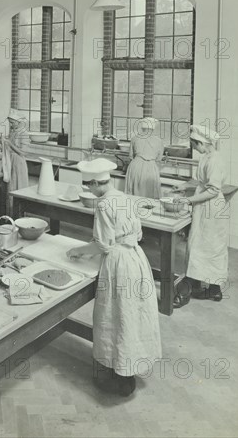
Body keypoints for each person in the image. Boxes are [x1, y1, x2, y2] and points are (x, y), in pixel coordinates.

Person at [67, 158, 161, 397]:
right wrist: (100, 245)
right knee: (131, 315)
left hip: (118, 265)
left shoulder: (102, 204)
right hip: (136, 260)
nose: (88, 190)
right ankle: (127, 370)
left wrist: (79, 251)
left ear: (98, 183)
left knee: (114, 315)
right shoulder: (123, 197)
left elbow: (103, 244)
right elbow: (135, 233)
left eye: (89, 185)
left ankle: (119, 380)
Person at [172, 125, 228, 308]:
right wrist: (185, 187)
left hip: (211, 208)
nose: (195, 148)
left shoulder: (215, 160)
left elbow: (212, 189)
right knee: (207, 246)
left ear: (202, 143)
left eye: (195, 145)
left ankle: (200, 286)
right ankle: (212, 289)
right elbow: (203, 183)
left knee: (205, 247)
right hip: (207, 206)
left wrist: (189, 200)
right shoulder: (208, 157)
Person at [124, 117, 163, 199]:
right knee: (150, 194)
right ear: (153, 128)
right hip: (151, 168)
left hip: (135, 166)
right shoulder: (159, 141)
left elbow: (131, 156)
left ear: (142, 127)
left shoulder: (134, 138)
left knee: (134, 194)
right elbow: (158, 159)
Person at [2, 108, 30, 192]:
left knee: (18, 184)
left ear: (19, 122)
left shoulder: (24, 133)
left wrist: (9, 144)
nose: (10, 125)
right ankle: (10, 204)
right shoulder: (13, 131)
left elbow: (23, 152)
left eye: (12, 123)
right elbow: (9, 146)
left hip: (18, 161)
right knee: (10, 185)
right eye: (10, 122)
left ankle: (18, 204)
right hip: (10, 159)